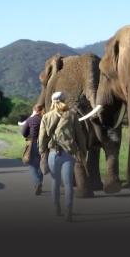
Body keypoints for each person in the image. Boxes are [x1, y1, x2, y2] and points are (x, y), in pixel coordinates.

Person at [38, 91, 87, 222]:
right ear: (64, 100)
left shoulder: (46, 117)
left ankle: (56, 209)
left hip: (53, 153)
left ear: (53, 101)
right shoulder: (72, 115)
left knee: (55, 182)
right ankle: (68, 212)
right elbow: (80, 135)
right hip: (68, 153)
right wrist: (82, 151)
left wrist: (42, 152)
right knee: (68, 184)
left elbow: (42, 137)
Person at [21, 104, 44, 195]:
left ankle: (37, 182)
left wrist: (28, 136)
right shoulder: (44, 119)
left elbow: (23, 132)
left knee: (31, 164)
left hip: (32, 143)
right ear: (41, 110)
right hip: (43, 144)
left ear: (34, 110)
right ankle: (39, 183)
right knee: (41, 164)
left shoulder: (30, 120)